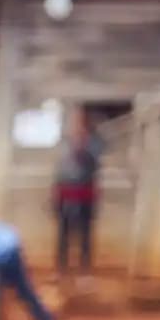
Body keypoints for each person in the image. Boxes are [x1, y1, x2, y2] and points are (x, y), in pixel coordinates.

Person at [53, 111, 103, 278]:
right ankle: (61, 270)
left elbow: (94, 166)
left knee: (85, 234)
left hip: (85, 195)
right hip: (66, 194)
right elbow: (59, 171)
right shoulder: (65, 144)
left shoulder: (95, 144)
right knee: (63, 234)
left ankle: (84, 271)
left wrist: (82, 147)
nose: (77, 128)